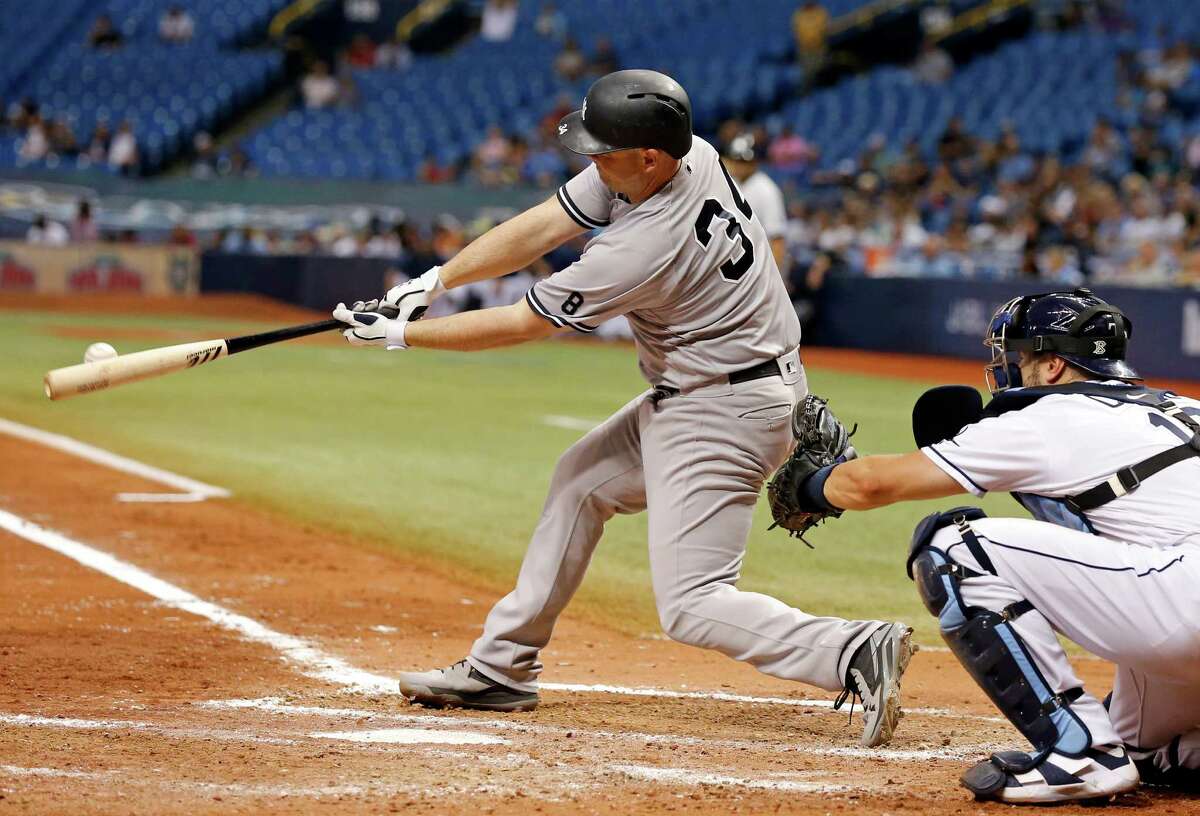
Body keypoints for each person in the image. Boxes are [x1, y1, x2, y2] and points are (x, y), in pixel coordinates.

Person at [332, 69, 915, 748]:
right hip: (722, 387)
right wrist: (433, 282)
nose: (590, 161)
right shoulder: (685, 151)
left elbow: (523, 322)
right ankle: (502, 667)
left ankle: (851, 651)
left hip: (720, 410)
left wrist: (401, 334)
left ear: (649, 157)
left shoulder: (643, 244)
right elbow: (546, 222)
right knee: (581, 481)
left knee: (693, 603)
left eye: (602, 151)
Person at [768, 288, 1199, 802]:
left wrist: (809, 486)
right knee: (1145, 748)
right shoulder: (1181, 406)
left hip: (1184, 602)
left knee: (954, 546)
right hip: (1174, 589)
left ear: (1055, 366)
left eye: (1021, 357)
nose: (1011, 369)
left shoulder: (1048, 419)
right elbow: (1103, 531)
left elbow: (870, 484)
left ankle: (1080, 754)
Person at [723, 132, 789, 276]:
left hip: (761, 270)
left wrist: (773, 278)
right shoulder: (732, 183)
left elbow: (777, 239)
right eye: (736, 160)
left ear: (755, 162)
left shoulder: (767, 190)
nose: (739, 165)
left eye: (744, 161)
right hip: (740, 269)